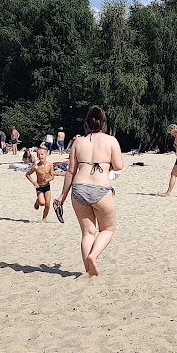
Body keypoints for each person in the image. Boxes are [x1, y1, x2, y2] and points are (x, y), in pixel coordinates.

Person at [57, 104, 123, 277]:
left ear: (87, 123)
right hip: (101, 188)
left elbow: (70, 171)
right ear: (103, 123)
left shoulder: (78, 142)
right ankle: (93, 256)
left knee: (87, 232)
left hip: (79, 188)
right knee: (108, 229)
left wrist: (62, 197)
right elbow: (118, 166)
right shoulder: (111, 141)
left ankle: (88, 269)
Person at [26, 148, 55, 220]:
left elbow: (52, 176)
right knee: (42, 203)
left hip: (47, 186)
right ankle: (38, 201)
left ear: (46, 155)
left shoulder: (50, 165)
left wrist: (48, 179)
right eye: (38, 155)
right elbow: (27, 174)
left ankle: (44, 219)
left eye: (42, 154)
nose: (40, 156)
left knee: (47, 205)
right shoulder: (36, 167)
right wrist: (34, 183)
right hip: (39, 187)